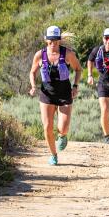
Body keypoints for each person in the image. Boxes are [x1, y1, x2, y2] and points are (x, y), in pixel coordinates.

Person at [28, 25, 82, 165]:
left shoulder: (68, 54)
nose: (53, 44)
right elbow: (32, 72)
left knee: (62, 128)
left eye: (56, 41)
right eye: (50, 41)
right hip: (47, 95)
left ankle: (63, 136)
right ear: (46, 40)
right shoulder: (40, 55)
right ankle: (53, 155)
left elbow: (78, 69)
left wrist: (75, 86)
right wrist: (33, 86)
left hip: (64, 93)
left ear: (59, 40)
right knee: (47, 127)